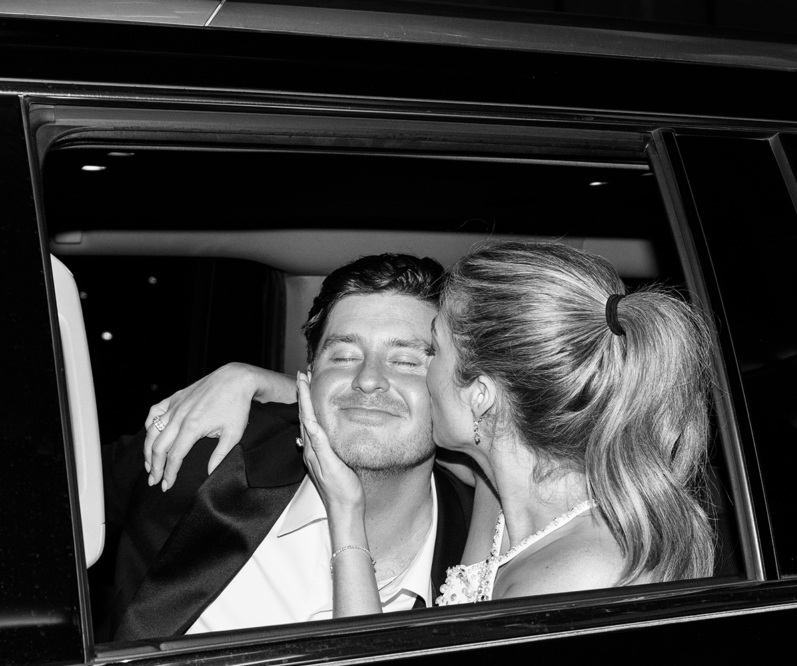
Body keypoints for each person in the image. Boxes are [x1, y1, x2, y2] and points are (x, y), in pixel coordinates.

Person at [143, 240, 723, 612]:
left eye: (425, 356)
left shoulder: (576, 578)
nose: (389, 378)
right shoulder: (506, 490)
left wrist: (347, 521)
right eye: (346, 354)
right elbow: (375, 408)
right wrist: (260, 381)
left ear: (482, 397)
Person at [95, 253, 474, 642]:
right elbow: (54, 496)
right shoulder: (206, 455)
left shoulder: (481, 536)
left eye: (408, 361)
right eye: (344, 356)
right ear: (309, 377)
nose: (368, 379)